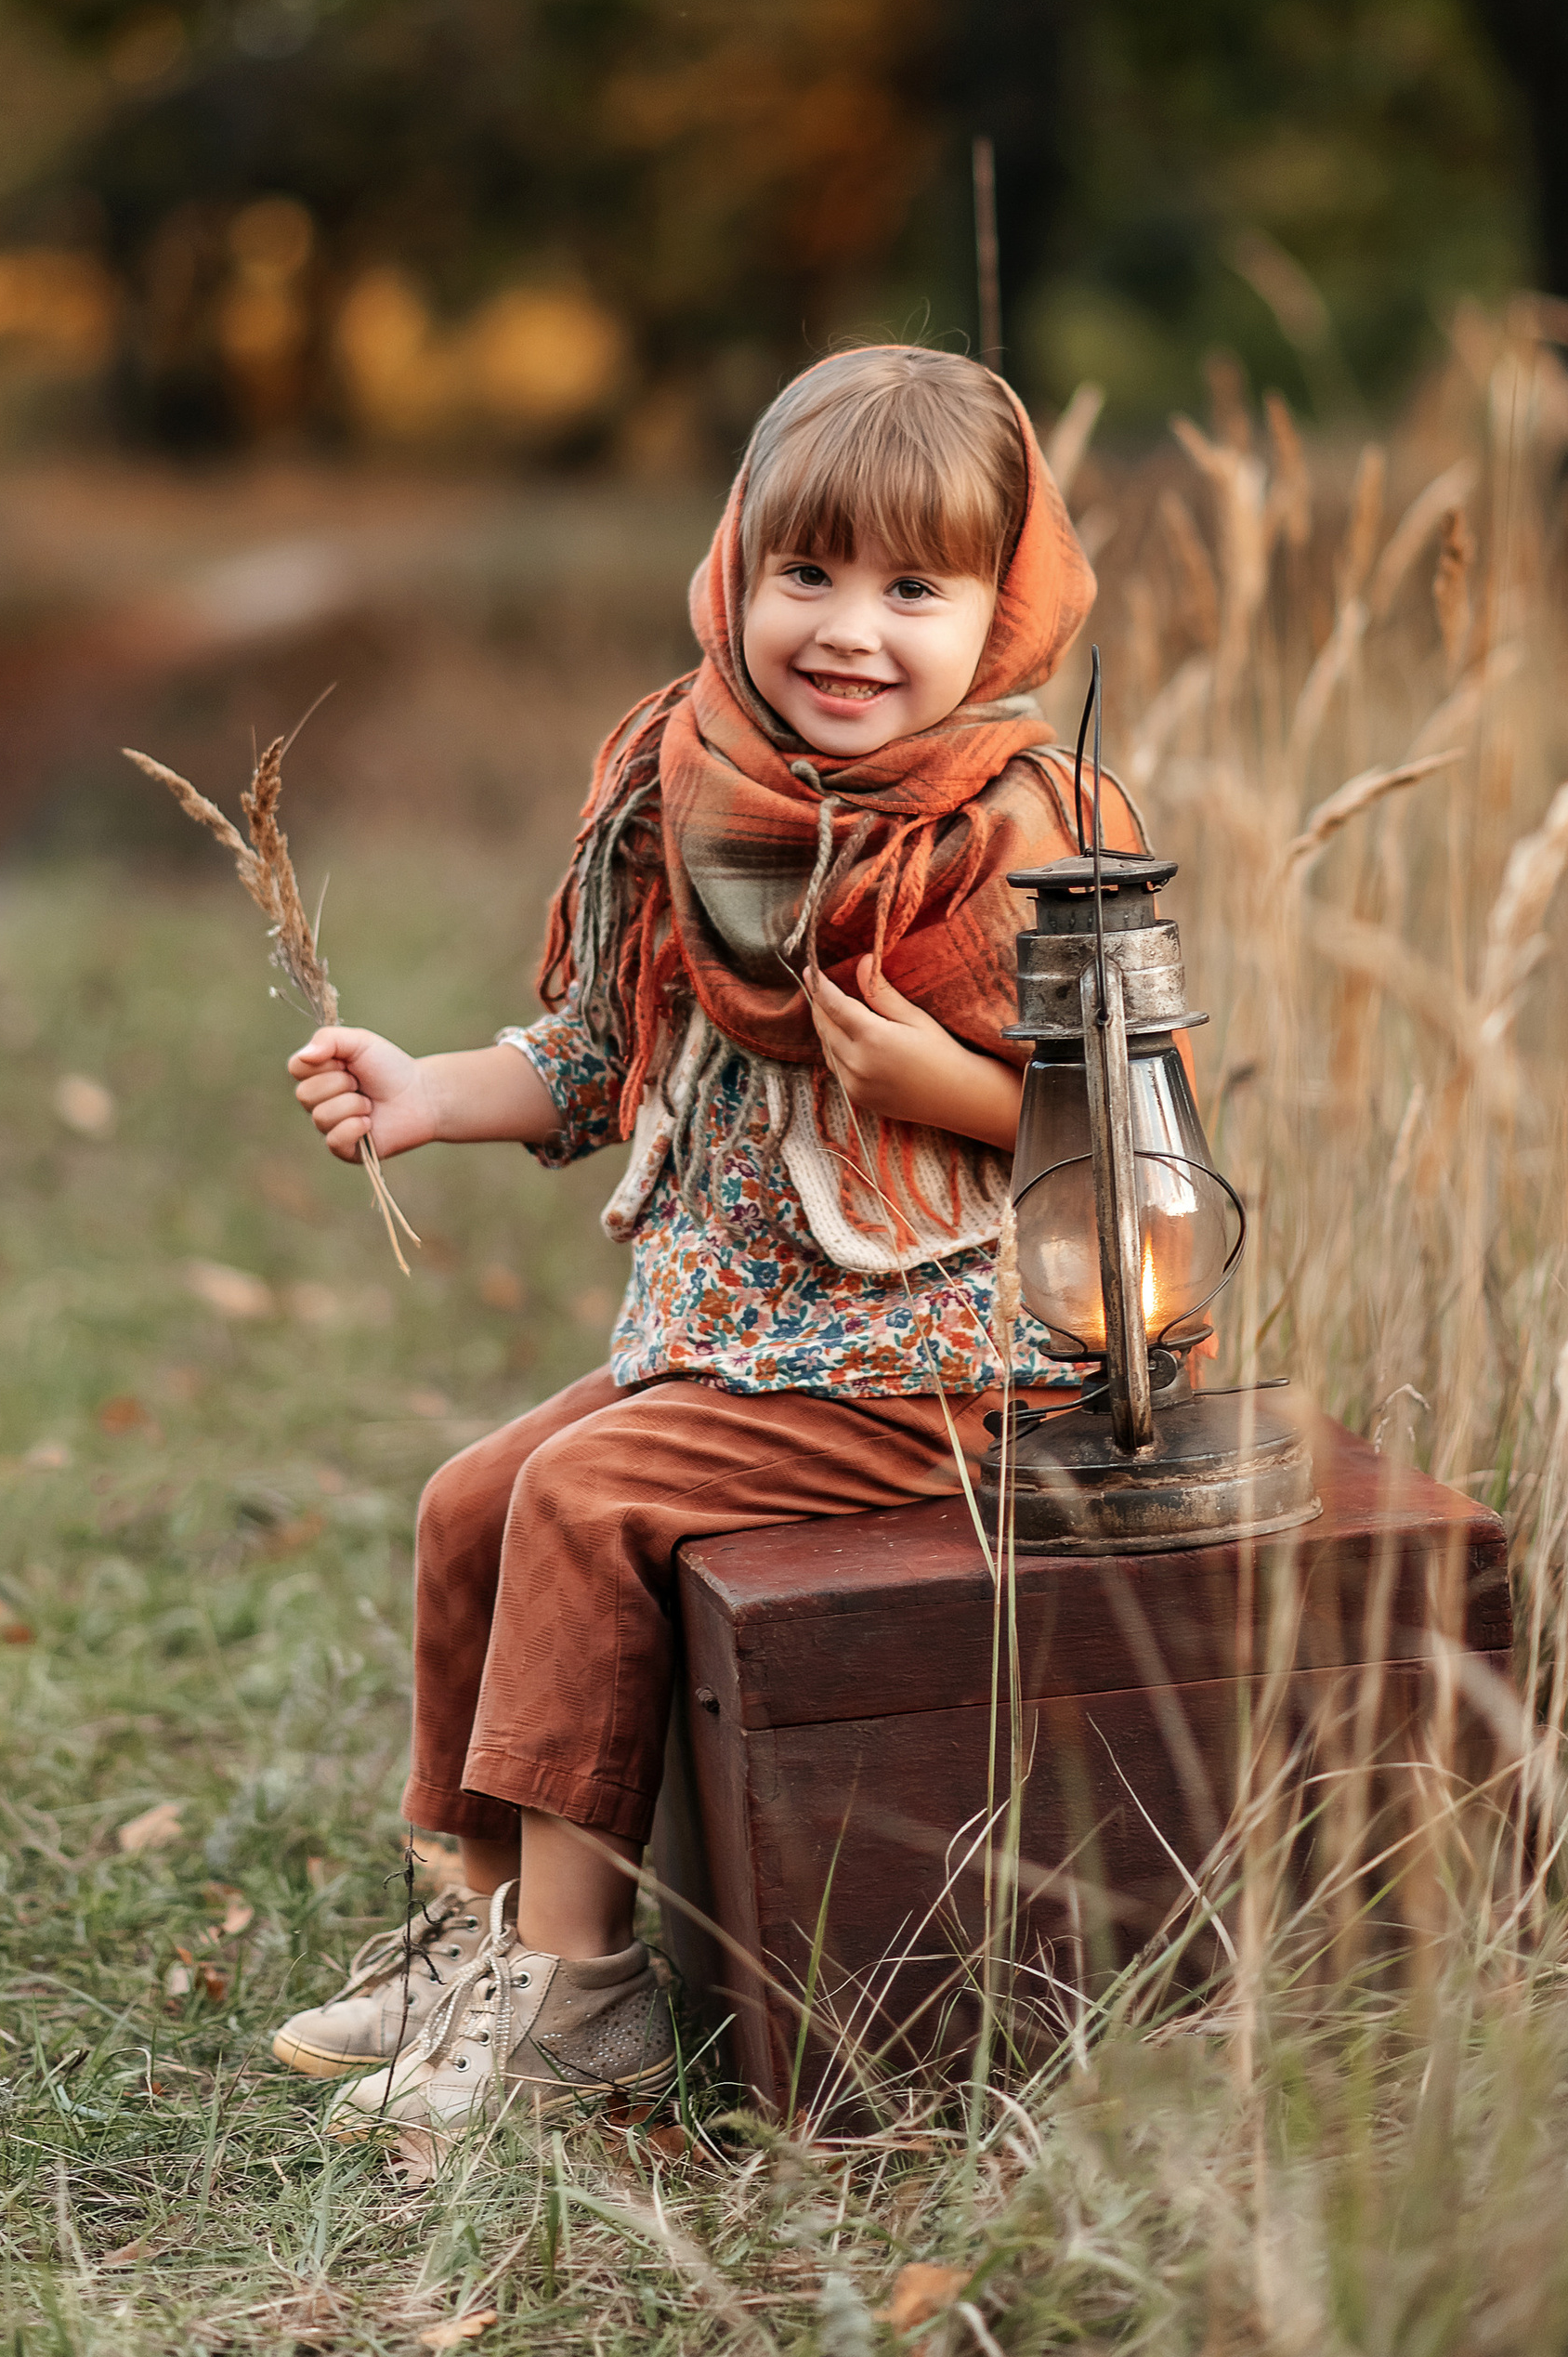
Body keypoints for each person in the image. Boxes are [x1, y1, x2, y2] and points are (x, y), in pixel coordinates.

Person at [269, 341, 1124, 2137]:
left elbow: (1143, 1134)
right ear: (736, 566)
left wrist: (946, 1080)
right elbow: (594, 1054)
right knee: (477, 1501)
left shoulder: (1025, 831)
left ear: (1002, 609)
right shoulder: (689, 781)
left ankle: (582, 2004)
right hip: (739, 1342)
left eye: (915, 588)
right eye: (805, 571)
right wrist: (427, 1086)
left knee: (591, 1506)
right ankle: (482, 1930)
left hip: (944, 1356)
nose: (848, 631)